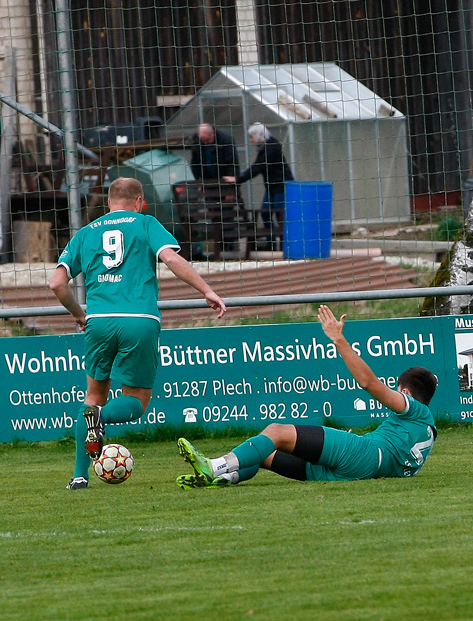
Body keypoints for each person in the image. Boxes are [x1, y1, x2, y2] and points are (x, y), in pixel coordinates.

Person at [50, 177, 227, 490]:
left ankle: (79, 476)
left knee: (92, 397)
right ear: (139, 200)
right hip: (139, 319)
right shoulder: (146, 223)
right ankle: (101, 418)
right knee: (136, 401)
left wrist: (79, 314)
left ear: (108, 202)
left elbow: (56, 283)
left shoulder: (86, 232)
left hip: (99, 320)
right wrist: (207, 290)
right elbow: (171, 258)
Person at [175, 305, 437, 488]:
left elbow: (369, 383)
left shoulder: (412, 408)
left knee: (276, 431)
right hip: (357, 474)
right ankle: (225, 477)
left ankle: (214, 466)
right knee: (264, 452)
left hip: (364, 454)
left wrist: (339, 339)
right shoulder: (428, 430)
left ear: (406, 393)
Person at [223, 122, 294, 250]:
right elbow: (257, 166)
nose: (251, 140)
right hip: (271, 187)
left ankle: (286, 245)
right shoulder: (264, 147)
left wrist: (238, 178)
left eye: (252, 137)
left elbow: (258, 167)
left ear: (259, 135)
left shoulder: (272, 147)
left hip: (281, 186)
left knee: (280, 215)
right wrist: (240, 177)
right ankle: (271, 243)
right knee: (266, 213)